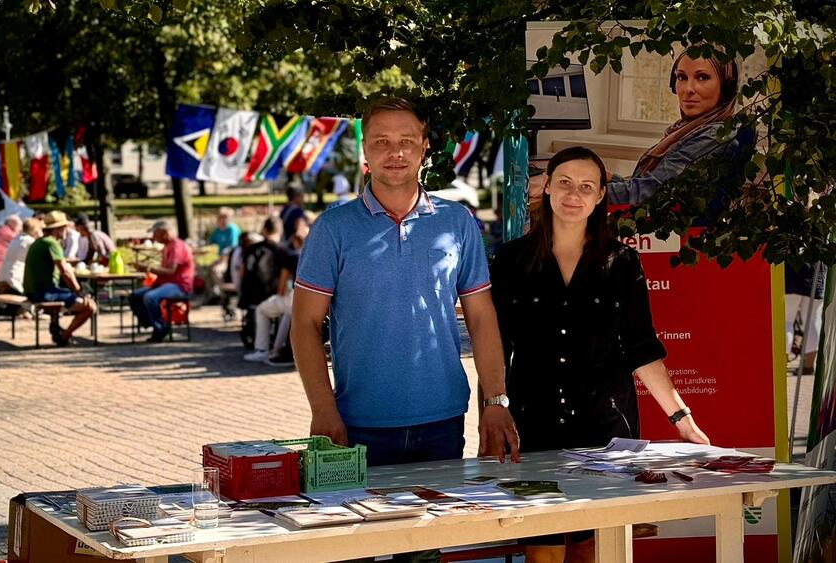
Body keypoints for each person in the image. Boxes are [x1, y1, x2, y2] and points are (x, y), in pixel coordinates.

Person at [490, 146, 710, 562]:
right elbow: (495, 344)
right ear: (548, 188)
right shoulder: (511, 260)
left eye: (586, 187)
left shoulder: (621, 262)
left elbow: (642, 348)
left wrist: (682, 419)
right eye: (566, 183)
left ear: (600, 195)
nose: (574, 195)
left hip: (606, 431)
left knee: (594, 549)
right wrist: (493, 407)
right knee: (544, 549)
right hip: (534, 427)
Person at [292, 97, 519, 473]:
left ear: (424, 146)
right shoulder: (333, 229)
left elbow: (481, 318)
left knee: (442, 531)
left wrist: (495, 401)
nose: (395, 152)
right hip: (357, 423)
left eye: (406, 141)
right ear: (364, 148)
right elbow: (304, 325)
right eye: (381, 141)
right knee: (367, 530)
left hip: (443, 420)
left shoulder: (457, 222)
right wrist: (322, 409)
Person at [606, 49, 747, 206]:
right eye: (682, 77)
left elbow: (644, 195)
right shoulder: (692, 129)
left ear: (725, 87)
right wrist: (610, 179)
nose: (688, 89)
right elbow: (652, 186)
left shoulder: (714, 136)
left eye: (702, 77)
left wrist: (579, 191)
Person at [22, 211, 98, 346]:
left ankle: (58, 329)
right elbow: (66, 272)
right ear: (57, 230)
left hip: (34, 290)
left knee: (72, 297)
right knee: (90, 307)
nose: (67, 231)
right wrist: (80, 291)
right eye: (64, 228)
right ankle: (64, 336)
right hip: (43, 292)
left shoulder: (39, 242)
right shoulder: (51, 243)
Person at [244, 218, 308, 364]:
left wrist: (279, 293)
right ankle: (277, 349)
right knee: (287, 314)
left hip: (294, 297)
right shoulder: (316, 255)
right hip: (313, 300)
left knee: (263, 309)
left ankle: (263, 349)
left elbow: (282, 286)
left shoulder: (292, 256)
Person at [128, 219, 195, 342]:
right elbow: (165, 272)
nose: (153, 237)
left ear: (164, 233)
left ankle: (161, 327)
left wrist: (148, 268)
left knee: (150, 297)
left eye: (155, 233)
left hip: (180, 286)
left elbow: (170, 271)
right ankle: (152, 324)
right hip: (167, 284)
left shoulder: (177, 246)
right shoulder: (167, 247)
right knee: (135, 296)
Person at [0, 217, 44, 295]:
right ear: (36, 230)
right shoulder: (30, 241)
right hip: (16, 280)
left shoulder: (17, 238)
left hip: (3, 276)